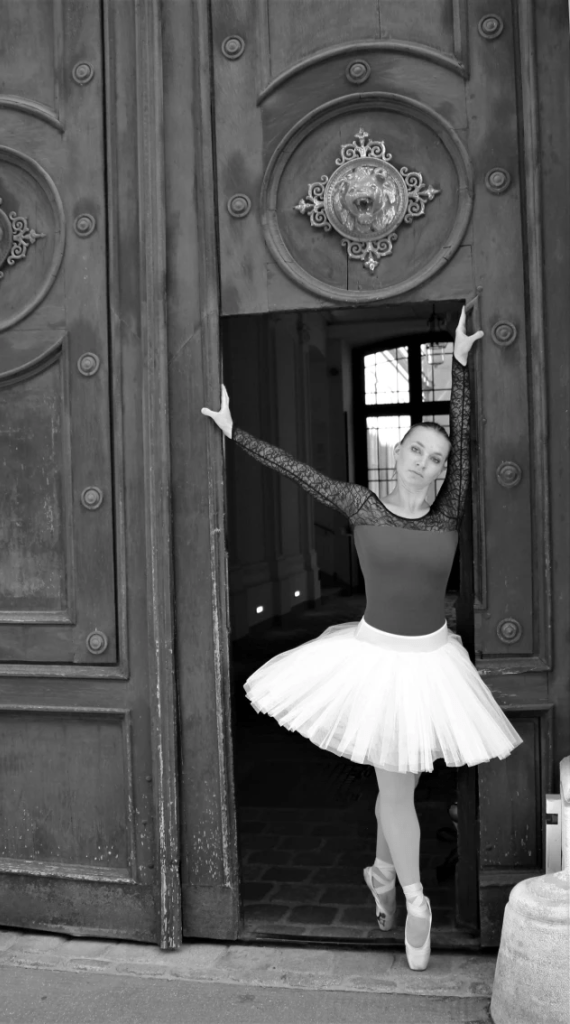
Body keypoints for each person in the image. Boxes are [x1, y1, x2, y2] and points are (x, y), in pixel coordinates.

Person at [202, 306, 523, 971]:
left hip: (430, 663)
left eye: (436, 458)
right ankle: (415, 899)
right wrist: (236, 434)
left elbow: (463, 437)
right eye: (417, 451)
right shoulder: (360, 503)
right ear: (397, 452)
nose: (427, 463)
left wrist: (460, 365)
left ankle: (380, 875)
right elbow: (298, 472)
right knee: (397, 788)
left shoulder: (449, 508)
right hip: (374, 660)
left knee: (394, 785)